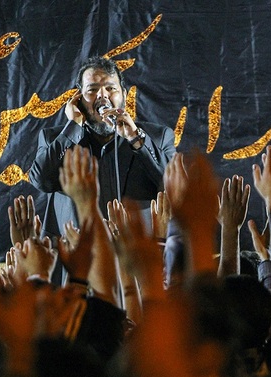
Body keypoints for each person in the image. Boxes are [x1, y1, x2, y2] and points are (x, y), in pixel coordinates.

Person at [29, 56, 176, 255]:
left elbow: (173, 187)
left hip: (138, 257)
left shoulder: (158, 137)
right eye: (92, 90)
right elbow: (41, 180)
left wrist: (136, 139)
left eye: (110, 88)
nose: (102, 96)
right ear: (78, 99)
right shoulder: (56, 139)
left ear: (123, 95)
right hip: (76, 257)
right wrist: (72, 128)